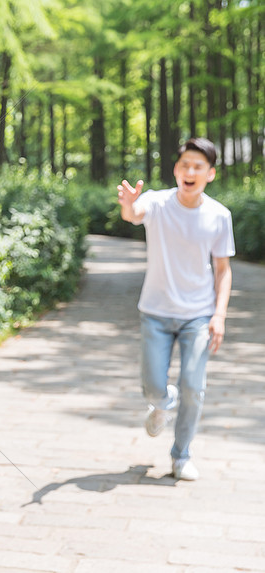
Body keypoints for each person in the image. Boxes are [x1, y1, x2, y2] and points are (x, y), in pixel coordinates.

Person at [117, 137, 234, 481]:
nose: (190, 171)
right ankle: (160, 403)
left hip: (198, 315)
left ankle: (181, 455)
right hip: (155, 311)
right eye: (185, 165)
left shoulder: (219, 215)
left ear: (210, 174)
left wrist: (219, 314)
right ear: (175, 170)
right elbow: (133, 214)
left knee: (193, 387)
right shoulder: (156, 202)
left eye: (199, 166)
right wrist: (128, 204)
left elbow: (223, 269)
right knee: (154, 386)